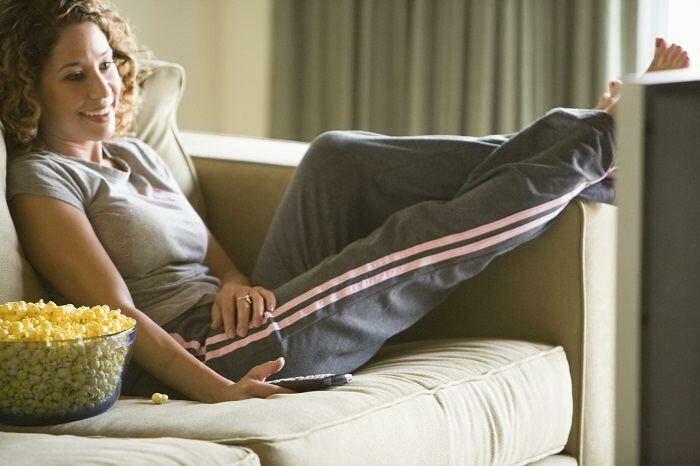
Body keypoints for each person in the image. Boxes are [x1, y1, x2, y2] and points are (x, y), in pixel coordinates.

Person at [0, 0, 690, 403]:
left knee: (337, 157)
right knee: (412, 237)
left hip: (231, 315)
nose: (105, 89)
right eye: (73, 76)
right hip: (208, 356)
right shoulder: (41, 180)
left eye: (105, 64)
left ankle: (587, 142)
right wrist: (218, 391)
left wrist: (236, 282)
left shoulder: (130, 151)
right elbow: (114, 316)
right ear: (30, 92)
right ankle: (609, 140)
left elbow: (212, 254)